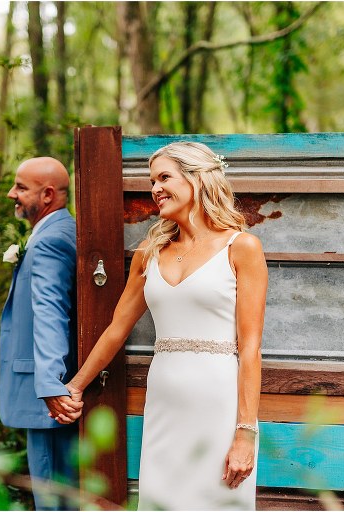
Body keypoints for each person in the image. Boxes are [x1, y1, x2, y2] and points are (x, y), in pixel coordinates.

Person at [57, 142, 268, 510]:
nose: (155, 189)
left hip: (217, 403)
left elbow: (250, 347)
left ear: (197, 179)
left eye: (164, 177)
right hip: (164, 405)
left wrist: (245, 434)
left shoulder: (242, 247)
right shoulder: (149, 252)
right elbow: (116, 329)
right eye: (152, 181)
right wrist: (75, 386)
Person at [0, 157, 84, 510]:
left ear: (48, 194)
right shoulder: (58, 231)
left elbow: (51, 312)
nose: (10, 194)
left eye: (20, 187)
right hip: (48, 392)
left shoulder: (51, 241)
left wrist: (50, 384)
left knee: (53, 499)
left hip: (47, 396)